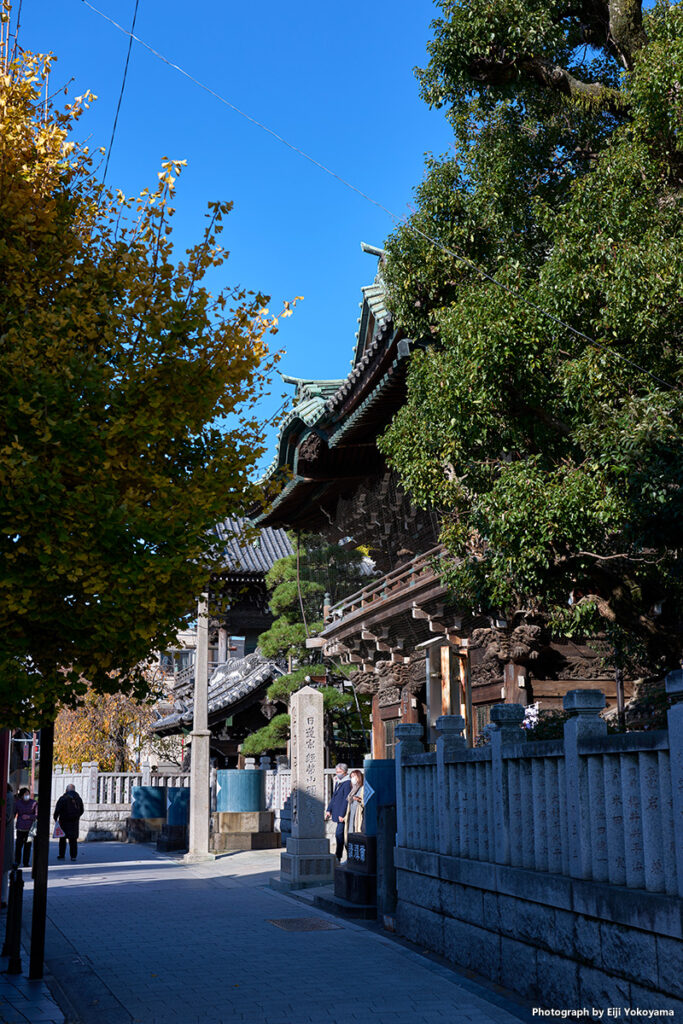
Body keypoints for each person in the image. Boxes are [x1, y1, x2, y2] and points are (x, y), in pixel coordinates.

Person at [325, 762, 352, 862]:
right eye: (336, 771)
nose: (337, 773)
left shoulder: (347, 783)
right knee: (339, 835)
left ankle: (340, 856)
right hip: (337, 812)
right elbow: (334, 798)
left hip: (342, 814)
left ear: (345, 772)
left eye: (339, 772)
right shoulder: (338, 782)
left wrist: (342, 814)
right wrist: (329, 810)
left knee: (340, 835)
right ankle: (340, 856)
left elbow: (346, 800)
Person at [53, 784, 84, 862]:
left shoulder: (63, 798)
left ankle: (61, 855)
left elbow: (57, 810)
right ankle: (73, 856)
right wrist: (77, 817)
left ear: (66, 790)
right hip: (74, 822)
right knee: (73, 840)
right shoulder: (78, 799)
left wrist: (55, 818)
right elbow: (82, 810)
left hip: (64, 821)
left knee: (62, 839)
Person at [14, 787, 37, 868]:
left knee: (27, 846)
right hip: (20, 827)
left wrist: (29, 817)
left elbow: (36, 815)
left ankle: (26, 862)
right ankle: (17, 861)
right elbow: (14, 813)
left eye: (28, 794)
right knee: (18, 845)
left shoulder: (34, 803)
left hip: (30, 828)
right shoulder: (18, 803)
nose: (27, 796)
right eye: (25, 794)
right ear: (22, 795)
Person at [343, 769, 365, 847]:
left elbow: (365, 802)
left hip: (358, 814)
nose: (353, 779)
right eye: (351, 777)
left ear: (359, 777)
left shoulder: (363, 788)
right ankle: (349, 853)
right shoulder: (353, 789)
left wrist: (359, 799)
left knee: (357, 833)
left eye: (354, 776)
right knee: (350, 833)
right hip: (351, 814)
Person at [1, 784, 14, 907]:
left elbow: (6, 816)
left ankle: (3, 898)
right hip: (5, 838)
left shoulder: (7, 796)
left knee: (4, 870)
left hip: (4, 838)